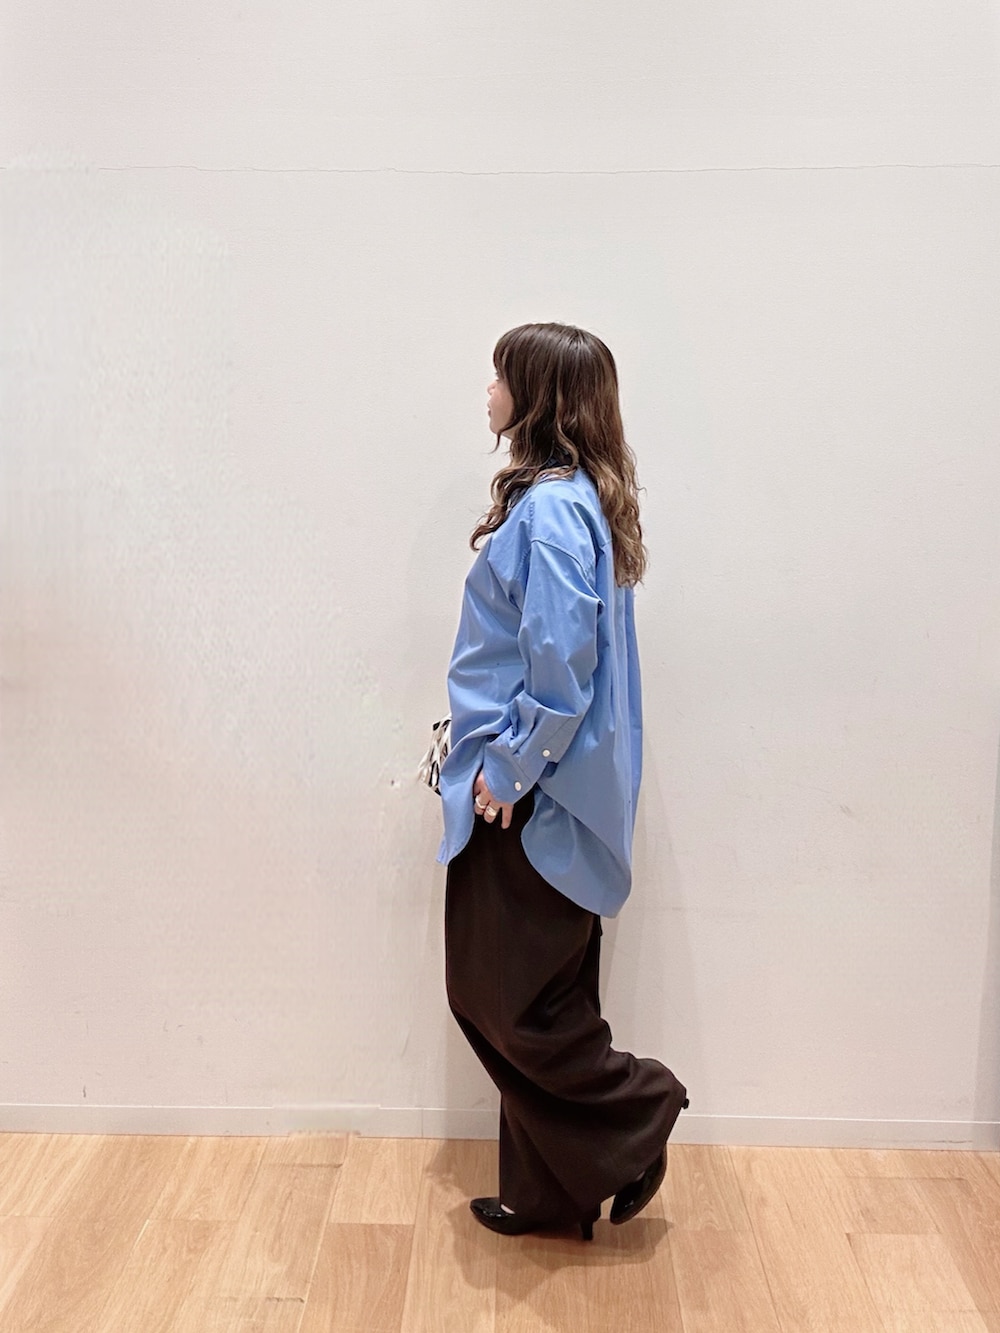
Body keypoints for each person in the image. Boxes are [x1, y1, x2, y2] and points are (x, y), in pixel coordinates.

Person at [437, 322, 687, 1241]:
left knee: (503, 999)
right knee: (544, 997)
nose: (488, 391)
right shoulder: (574, 500)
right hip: (551, 790)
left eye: (500, 376)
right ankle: (549, 1195)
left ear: (535, 396)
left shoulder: (550, 512)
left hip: (530, 796)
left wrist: (505, 770)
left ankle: (640, 1107)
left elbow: (561, 670)